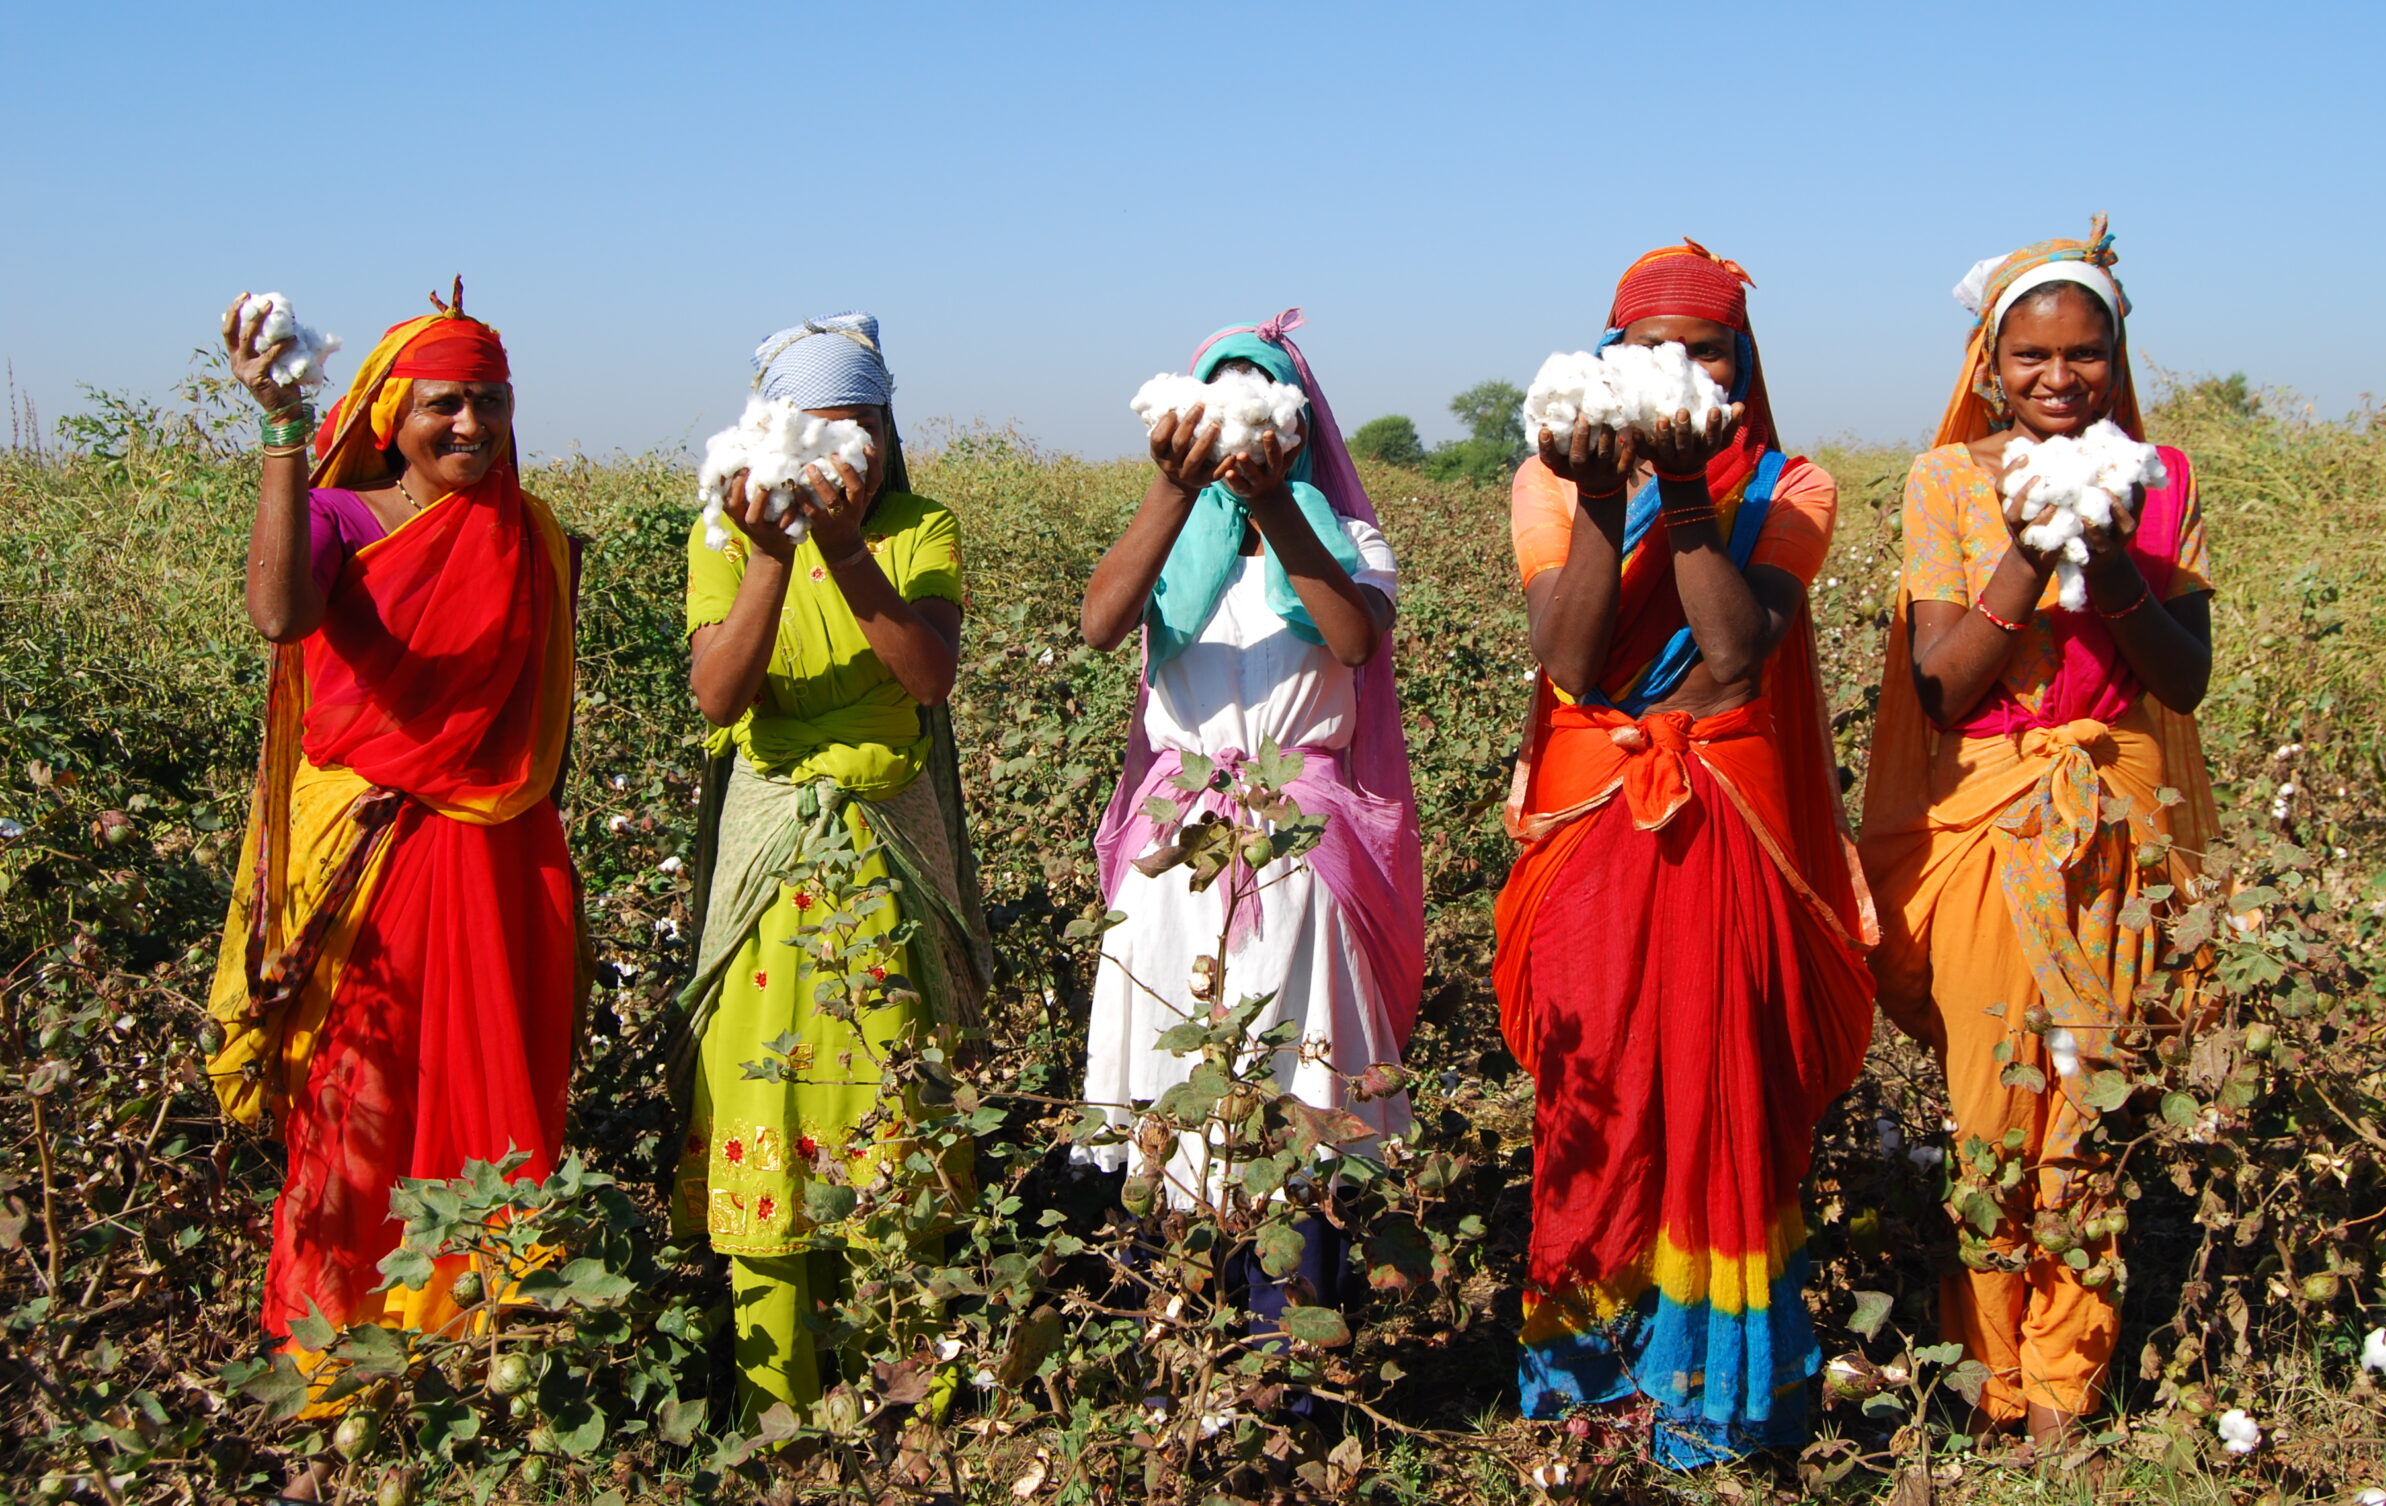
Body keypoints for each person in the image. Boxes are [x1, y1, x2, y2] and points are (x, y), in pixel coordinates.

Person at [1494, 243, 1876, 1467]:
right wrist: (1609, 500)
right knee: (1594, 1078)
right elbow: (1573, 660)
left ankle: (1712, 1397)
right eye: (1645, 349)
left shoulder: (1793, 486)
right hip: (1597, 804)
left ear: (1740, 363)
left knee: (1726, 1079)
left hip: (1726, 814)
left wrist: (1690, 492)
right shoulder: (1546, 485)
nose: (1673, 368)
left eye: (1701, 349)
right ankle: (1589, 1392)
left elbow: (1732, 650)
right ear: (1602, 362)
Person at [205, 283, 584, 1496]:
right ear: (387, 413)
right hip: (367, 869)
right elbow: (279, 614)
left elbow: (536, 729)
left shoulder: (537, 535)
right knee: (357, 1105)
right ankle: (337, 1368)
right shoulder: (336, 515)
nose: (469, 423)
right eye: (443, 404)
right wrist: (278, 428)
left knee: (496, 1102)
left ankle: (479, 1352)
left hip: (500, 860)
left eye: (488, 399)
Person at [1860, 216, 2218, 1445]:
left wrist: (2115, 567)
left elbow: (2185, 683)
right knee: (1993, 1100)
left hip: (2117, 818)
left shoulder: (2161, 479)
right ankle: (1985, 1369)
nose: (2058, 380)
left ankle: (2065, 1382)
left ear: (2118, 358)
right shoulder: (1947, 481)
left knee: (2092, 1098)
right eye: (2029, 357)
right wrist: (2029, 548)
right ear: (1987, 364)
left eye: (2084, 355)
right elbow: (1942, 687)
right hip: (1991, 819)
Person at [669, 312, 993, 1416]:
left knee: (890, 1125)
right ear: (772, 429)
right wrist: (772, 554)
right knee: (772, 1119)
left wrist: (848, 548)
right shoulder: (725, 534)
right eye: (816, 424)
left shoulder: (918, 527)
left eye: (859, 426)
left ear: (887, 433)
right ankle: (781, 1414)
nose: (839, 448)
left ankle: (909, 1418)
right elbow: (720, 696)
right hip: (770, 874)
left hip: (883, 858)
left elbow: (928, 675)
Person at [1079, 309, 1424, 1313]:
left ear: (1298, 423)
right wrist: (1171, 490)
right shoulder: (1169, 540)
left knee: (1287, 1097)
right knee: (1169, 1093)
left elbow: (1354, 640)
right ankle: (1177, 1355)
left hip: (1291, 856)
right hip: (1176, 857)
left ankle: (1284, 1366)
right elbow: (1102, 621)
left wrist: (1276, 510)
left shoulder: (1343, 537)